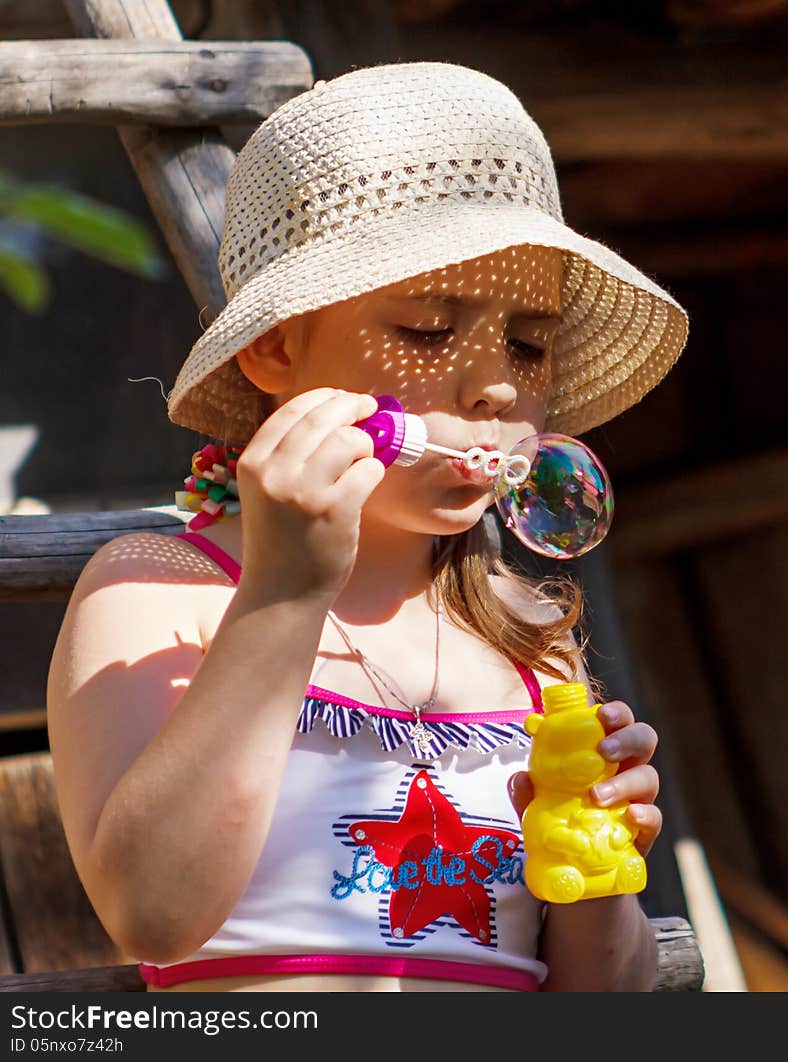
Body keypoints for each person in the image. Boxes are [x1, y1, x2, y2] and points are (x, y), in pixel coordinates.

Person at [46, 61, 689, 993]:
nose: (497, 386)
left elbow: (599, 1001)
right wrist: (284, 593)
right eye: (429, 332)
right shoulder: (155, 589)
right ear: (274, 347)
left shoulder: (526, 641)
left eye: (529, 342)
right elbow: (153, 914)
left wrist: (593, 866)